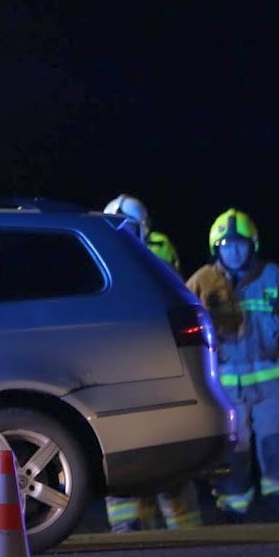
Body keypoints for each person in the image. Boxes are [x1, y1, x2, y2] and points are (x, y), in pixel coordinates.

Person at [100, 194, 203, 531]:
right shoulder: (99, 263)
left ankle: (189, 542)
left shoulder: (156, 261)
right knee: (121, 462)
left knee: (169, 465)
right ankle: (128, 538)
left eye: (129, 227)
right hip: (119, 380)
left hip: (159, 375)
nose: (123, 233)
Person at [187, 208, 279, 522]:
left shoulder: (273, 275)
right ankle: (234, 508)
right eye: (227, 244)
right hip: (227, 386)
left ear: (252, 245)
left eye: (241, 244)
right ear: (217, 247)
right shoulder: (202, 281)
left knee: (276, 445)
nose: (235, 250)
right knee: (233, 449)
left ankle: (278, 502)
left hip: (273, 383)